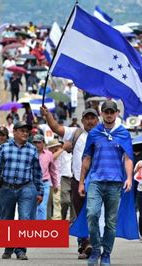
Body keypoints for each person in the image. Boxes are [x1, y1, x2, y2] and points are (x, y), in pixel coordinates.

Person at [78, 100, 134, 266]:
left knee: (110, 222)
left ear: (116, 113)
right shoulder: (94, 133)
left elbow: (129, 157)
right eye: (106, 112)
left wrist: (129, 178)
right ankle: (95, 249)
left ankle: (106, 254)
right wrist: (81, 182)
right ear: (101, 113)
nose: (109, 115)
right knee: (92, 214)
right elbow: (86, 158)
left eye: (112, 112)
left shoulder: (123, 133)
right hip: (96, 180)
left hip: (115, 183)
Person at [40, 105, 99, 259]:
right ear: (82, 120)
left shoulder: (103, 134)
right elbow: (56, 128)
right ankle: (84, 244)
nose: (90, 121)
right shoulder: (76, 133)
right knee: (80, 214)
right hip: (77, 180)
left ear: (97, 120)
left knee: (94, 213)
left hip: (98, 182)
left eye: (93, 118)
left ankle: (93, 243)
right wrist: (47, 115)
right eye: (87, 118)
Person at [0, 121, 44, 260]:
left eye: (27, 131)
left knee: (24, 218)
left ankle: (20, 250)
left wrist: (40, 191)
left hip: (26, 187)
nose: (25, 133)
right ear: (15, 132)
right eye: (22, 131)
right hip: (6, 188)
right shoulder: (4, 148)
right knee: (7, 219)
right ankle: (9, 247)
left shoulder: (32, 149)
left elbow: (37, 172)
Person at [31, 134, 59, 220]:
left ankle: (41, 228)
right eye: (35, 142)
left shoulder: (49, 154)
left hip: (44, 183)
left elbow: (52, 170)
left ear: (43, 143)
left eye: (39, 142)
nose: (36, 145)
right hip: (31, 184)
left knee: (42, 207)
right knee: (33, 207)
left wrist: (55, 184)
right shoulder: (29, 153)